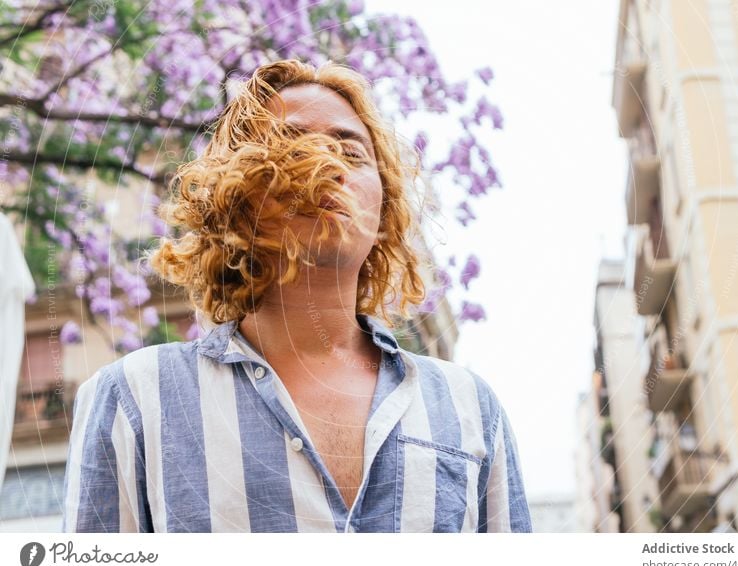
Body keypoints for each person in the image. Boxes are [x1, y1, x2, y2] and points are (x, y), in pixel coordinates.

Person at [62, 59, 532, 533]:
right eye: (292, 145)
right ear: (234, 197)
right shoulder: (135, 400)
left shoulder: (469, 407)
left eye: (350, 153)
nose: (325, 167)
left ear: (385, 205)